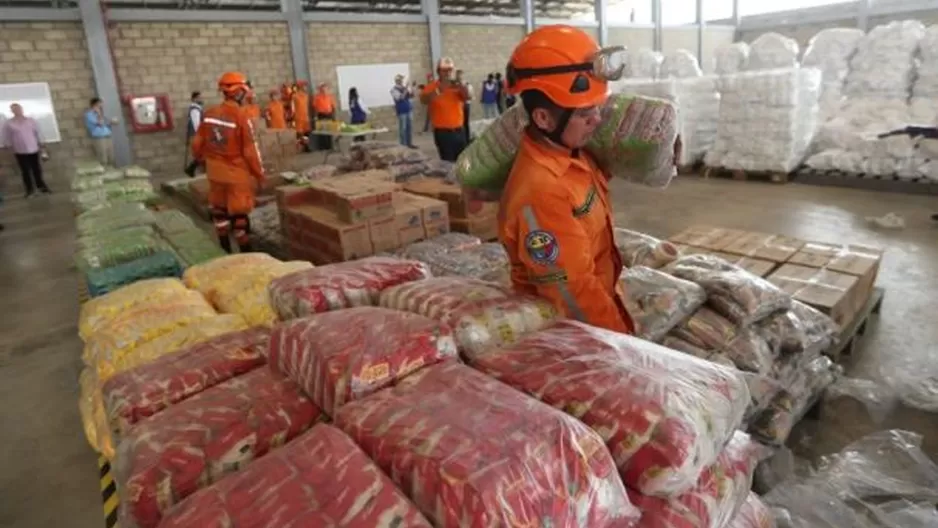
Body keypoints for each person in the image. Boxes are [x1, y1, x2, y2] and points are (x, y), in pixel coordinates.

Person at [497, 25, 636, 334]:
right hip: (577, 337)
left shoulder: (570, 150)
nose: (596, 120)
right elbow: (573, 296)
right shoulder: (542, 191)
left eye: (597, 108)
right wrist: (625, 345)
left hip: (604, 305)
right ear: (543, 118)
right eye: (584, 113)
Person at [191, 71, 265, 254]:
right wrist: (259, 174)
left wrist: (202, 160)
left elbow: (196, 143)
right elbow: (250, 151)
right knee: (240, 217)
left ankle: (225, 250)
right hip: (236, 174)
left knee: (219, 211)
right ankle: (246, 255)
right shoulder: (241, 117)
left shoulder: (209, 114)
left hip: (215, 172)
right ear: (240, 92)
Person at [421, 57, 469, 162]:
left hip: (459, 132)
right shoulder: (432, 86)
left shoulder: (457, 86)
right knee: (448, 164)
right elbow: (424, 100)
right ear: (438, 71)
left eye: (450, 70)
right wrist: (439, 90)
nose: (447, 73)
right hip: (443, 134)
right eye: (444, 70)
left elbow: (468, 97)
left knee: (463, 163)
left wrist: (461, 85)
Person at [1, 103, 51, 197]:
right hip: (20, 151)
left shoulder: (31, 121)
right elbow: (6, 136)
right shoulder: (9, 123)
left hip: (33, 149)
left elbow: (38, 133)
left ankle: (42, 187)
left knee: (36, 169)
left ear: (22, 109)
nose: (17, 111)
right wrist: (8, 147)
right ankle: (30, 190)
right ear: (12, 111)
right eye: (14, 109)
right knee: (25, 171)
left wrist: (42, 144)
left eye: (18, 109)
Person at [84, 97, 116, 166]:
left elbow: (105, 123)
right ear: (94, 105)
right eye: (99, 104)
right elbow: (100, 123)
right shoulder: (89, 115)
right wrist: (99, 114)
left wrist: (111, 122)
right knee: (103, 157)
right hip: (99, 138)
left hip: (107, 136)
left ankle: (111, 170)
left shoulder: (101, 114)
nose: (101, 106)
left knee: (111, 156)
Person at [391, 74, 416, 147]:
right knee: (403, 129)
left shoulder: (404, 88)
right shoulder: (393, 90)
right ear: (397, 81)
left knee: (409, 128)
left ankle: (409, 144)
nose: (402, 81)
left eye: (402, 79)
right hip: (402, 111)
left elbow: (411, 96)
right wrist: (406, 87)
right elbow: (401, 97)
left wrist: (413, 87)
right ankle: (403, 145)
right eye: (401, 79)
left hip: (408, 110)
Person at [184, 91, 204, 177]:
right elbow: (196, 124)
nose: (200, 99)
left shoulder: (197, 108)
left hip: (196, 135)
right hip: (196, 135)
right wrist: (200, 135)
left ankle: (191, 169)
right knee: (201, 153)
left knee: (201, 154)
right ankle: (191, 169)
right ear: (194, 99)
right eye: (198, 98)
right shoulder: (195, 110)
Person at [313, 82, 337, 151]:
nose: (324, 90)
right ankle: (323, 147)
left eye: (325, 88)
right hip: (321, 115)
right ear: (320, 89)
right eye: (323, 88)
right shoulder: (317, 97)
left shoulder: (329, 97)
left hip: (329, 114)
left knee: (329, 131)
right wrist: (315, 116)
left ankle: (330, 146)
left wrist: (333, 116)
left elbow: (333, 107)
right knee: (322, 131)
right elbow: (315, 108)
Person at [292, 80, 313, 151]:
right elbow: (292, 108)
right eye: (304, 86)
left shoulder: (306, 96)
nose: (306, 87)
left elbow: (307, 107)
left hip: (305, 117)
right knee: (300, 133)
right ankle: (301, 147)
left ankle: (306, 146)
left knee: (307, 133)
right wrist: (293, 117)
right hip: (298, 117)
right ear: (300, 87)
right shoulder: (294, 96)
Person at [455, 69, 473, 144]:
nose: (459, 76)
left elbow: (470, 95)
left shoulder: (467, 84)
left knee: (465, 123)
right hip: (457, 106)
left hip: (465, 105)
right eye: (458, 75)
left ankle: (467, 139)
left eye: (460, 74)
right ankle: (460, 139)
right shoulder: (454, 85)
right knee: (459, 123)